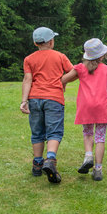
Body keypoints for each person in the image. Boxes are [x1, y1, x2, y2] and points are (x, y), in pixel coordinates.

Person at [61, 38, 107, 181]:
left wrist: (63, 84)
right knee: (100, 137)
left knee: (87, 133)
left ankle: (88, 156)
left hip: (85, 106)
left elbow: (63, 79)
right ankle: (98, 169)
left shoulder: (80, 68)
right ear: (102, 56)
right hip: (102, 106)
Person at [21, 27, 73, 184]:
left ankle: (37, 164)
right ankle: (50, 159)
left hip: (34, 98)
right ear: (51, 41)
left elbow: (27, 80)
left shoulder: (29, 59)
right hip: (54, 98)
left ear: (36, 43)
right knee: (54, 132)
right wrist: (62, 80)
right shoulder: (60, 56)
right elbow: (74, 72)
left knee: (37, 132)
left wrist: (24, 101)